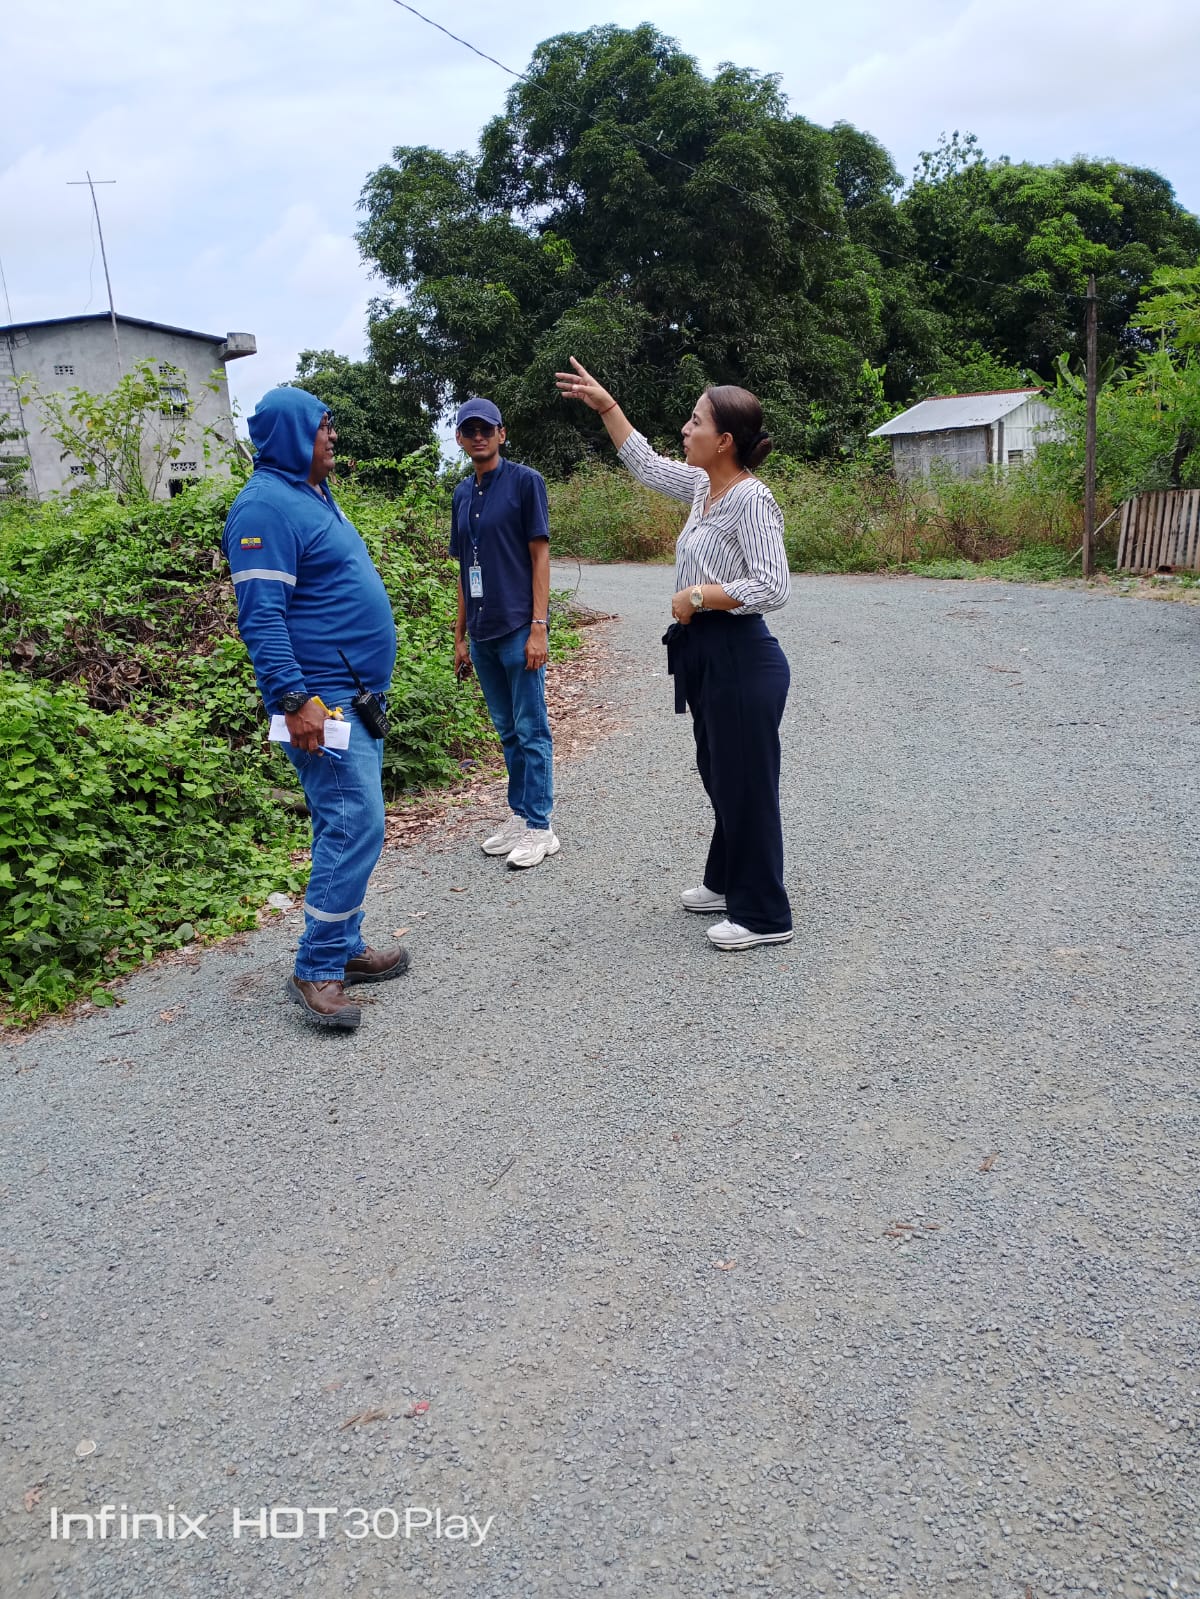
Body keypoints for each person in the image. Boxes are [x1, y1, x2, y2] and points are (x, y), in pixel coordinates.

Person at [556, 358, 793, 950]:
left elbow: (772, 585)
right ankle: (726, 880)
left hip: (742, 655)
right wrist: (607, 406)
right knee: (720, 773)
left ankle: (765, 915)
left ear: (725, 440)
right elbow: (644, 463)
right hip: (707, 654)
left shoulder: (751, 498)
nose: (685, 430)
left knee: (746, 785)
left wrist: (696, 596)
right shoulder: (702, 487)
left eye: (695, 421)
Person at [222, 386, 409, 1030]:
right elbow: (261, 617)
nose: (332, 436)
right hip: (318, 705)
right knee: (355, 824)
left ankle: (345, 945)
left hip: (351, 698)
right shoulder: (265, 508)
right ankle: (319, 964)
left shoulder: (309, 494)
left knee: (345, 821)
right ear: (292, 435)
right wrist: (294, 697)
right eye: (322, 425)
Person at [450, 397, 558, 869]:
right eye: (470, 430)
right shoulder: (461, 494)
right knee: (507, 730)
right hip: (483, 632)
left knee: (531, 728)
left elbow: (540, 556)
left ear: (501, 434)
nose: (479, 437)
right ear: (460, 438)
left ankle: (541, 826)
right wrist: (460, 636)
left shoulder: (525, 482)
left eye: (486, 429)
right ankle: (520, 814)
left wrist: (539, 626)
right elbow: (463, 570)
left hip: (518, 626)